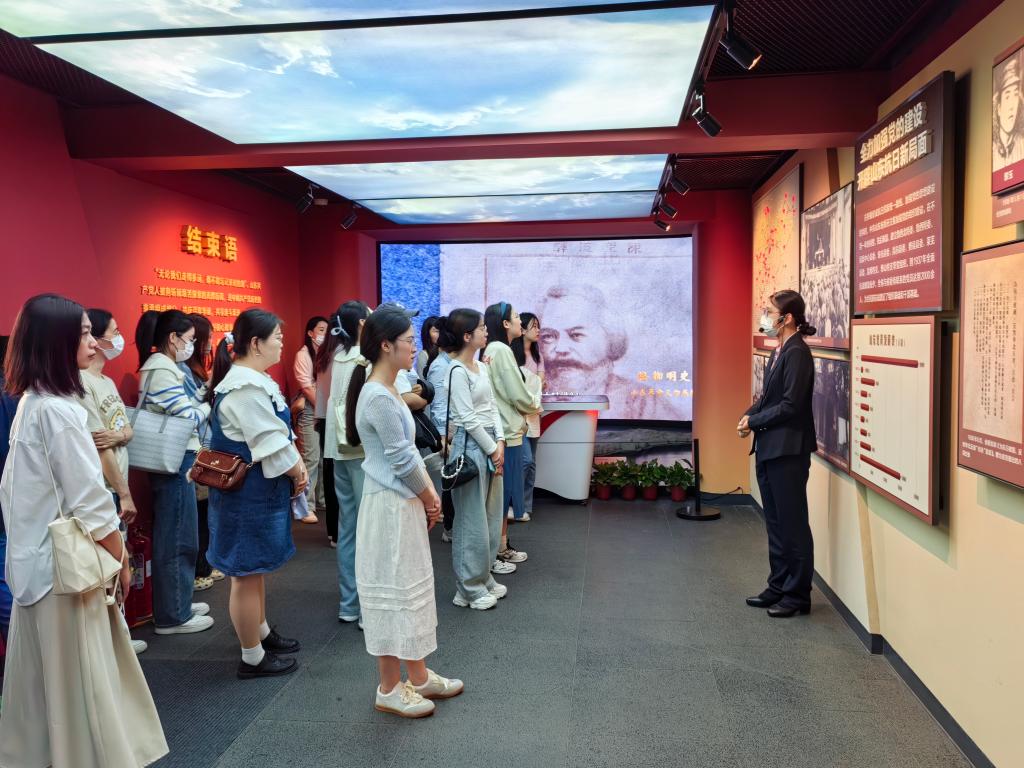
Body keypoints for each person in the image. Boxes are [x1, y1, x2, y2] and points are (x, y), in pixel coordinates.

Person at [0, 293, 168, 768]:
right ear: (57, 342)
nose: (94, 344)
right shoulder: (59, 410)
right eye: (85, 334)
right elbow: (90, 501)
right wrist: (120, 558)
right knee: (79, 683)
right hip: (64, 573)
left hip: (37, 566)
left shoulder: (32, 402)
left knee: (47, 686)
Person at [346, 304, 463, 718]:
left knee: (411, 589)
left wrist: (426, 496)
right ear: (385, 345)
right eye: (409, 341)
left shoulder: (390, 388)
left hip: (402, 503)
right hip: (389, 507)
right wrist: (430, 496)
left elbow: (406, 454)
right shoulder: (378, 395)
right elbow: (400, 458)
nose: (416, 346)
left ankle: (419, 675)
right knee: (392, 593)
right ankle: (389, 687)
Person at [205, 309, 307, 678]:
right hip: (245, 499)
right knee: (246, 573)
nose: (282, 343)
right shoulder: (244, 388)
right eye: (277, 337)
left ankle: (260, 632)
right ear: (255, 343)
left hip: (254, 494)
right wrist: (298, 471)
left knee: (254, 570)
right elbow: (271, 443)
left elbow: (278, 437)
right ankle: (252, 657)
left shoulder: (253, 381)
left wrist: (296, 465)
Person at [738, 290, 818, 619]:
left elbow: (790, 405)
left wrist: (755, 421)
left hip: (789, 451)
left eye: (770, 311)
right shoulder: (780, 350)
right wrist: (748, 416)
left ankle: (797, 595)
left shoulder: (797, 353)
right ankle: (778, 585)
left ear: (787, 318)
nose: (765, 316)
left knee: (792, 524)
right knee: (775, 522)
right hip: (771, 448)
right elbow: (769, 398)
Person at [136, 309, 215, 635]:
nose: (192, 345)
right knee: (177, 538)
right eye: (190, 339)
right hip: (175, 461)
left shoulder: (165, 367)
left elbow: (184, 406)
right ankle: (172, 616)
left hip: (179, 459)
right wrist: (210, 403)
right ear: (173, 338)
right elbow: (189, 417)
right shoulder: (161, 369)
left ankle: (178, 602)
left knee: (182, 535)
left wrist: (204, 394)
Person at [79, 308, 148, 655]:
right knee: (109, 567)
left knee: (121, 563)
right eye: (114, 332)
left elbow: (125, 430)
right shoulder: (81, 383)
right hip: (105, 490)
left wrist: (120, 434)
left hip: (117, 484)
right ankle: (112, 642)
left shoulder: (105, 381)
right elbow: (99, 444)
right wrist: (124, 493)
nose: (119, 339)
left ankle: (119, 634)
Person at [439, 309, 508, 609]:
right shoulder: (455, 371)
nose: (486, 331)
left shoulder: (480, 366)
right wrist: (493, 448)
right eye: (481, 328)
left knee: (490, 518)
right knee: (471, 521)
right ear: (467, 336)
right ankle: (467, 588)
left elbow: (492, 406)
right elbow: (466, 417)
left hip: (490, 442)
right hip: (470, 447)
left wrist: (500, 440)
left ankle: (482, 577)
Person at [538, 284, 676, 420]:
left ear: (609, 338)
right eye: (548, 336)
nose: (561, 348)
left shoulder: (644, 403)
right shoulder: (528, 394)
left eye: (576, 335)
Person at [323, 300, 371, 625]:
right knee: (368, 527)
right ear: (362, 325)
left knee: (348, 527)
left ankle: (349, 603)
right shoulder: (364, 358)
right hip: (360, 449)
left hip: (337, 447)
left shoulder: (336, 355)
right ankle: (367, 605)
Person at [484, 302, 540, 561]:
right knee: (502, 496)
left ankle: (501, 546)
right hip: (507, 432)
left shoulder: (491, 349)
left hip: (500, 430)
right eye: (516, 317)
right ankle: (498, 550)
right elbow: (518, 394)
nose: (520, 321)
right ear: (505, 323)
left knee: (500, 496)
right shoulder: (502, 350)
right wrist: (534, 403)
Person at [183, 313, 222, 591]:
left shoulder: (196, 368)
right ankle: (199, 570)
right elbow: (192, 413)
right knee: (199, 512)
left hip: (205, 445)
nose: (210, 343)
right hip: (197, 448)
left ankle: (205, 564)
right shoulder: (185, 372)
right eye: (207, 338)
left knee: (206, 510)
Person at [293, 315, 329, 524]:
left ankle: (321, 500)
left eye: (327, 330)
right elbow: (306, 387)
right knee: (311, 458)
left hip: (323, 409)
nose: (325, 334)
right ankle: (305, 506)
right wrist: (324, 409)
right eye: (321, 330)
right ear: (310, 333)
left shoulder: (325, 353)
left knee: (324, 459)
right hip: (310, 409)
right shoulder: (303, 354)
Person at [511, 311, 544, 519]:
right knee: (524, 460)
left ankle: (525, 506)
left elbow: (540, 382)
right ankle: (513, 504)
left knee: (531, 464)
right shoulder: (511, 355)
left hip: (533, 413)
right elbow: (517, 387)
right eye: (534, 326)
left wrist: (532, 389)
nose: (538, 330)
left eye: (539, 326)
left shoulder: (538, 355)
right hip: (516, 415)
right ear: (522, 329)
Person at [993, 53, 1024, 172]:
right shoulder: (992, 151)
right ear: (998, 108)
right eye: (1007, 96)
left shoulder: (1022, 144)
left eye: (1015, 95)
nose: (1012, 106)